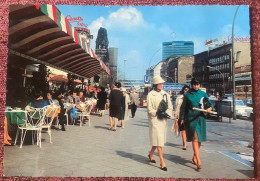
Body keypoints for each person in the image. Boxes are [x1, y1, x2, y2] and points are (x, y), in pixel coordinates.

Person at [179, 77, 213, 171]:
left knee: (199, 140)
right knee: (195, 139)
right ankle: (198, 160)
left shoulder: (203, 93)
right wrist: (181, 118)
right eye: (194, 84)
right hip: (191, 119)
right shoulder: (187, 94)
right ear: (191, 84)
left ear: (200, 84)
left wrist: (209, 109)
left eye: (197, 84)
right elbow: (183, 108)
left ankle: (194, 157)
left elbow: (209, 104)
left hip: (201, 118)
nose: (196, 86)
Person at [147, 75, 173, 171]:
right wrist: (156, 112)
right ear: (155, 84)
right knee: (158, 141)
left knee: (159, 140)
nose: (162, 85)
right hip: (154, 120)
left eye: (162, 83)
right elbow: (149, 108)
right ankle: (162, 162)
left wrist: (166, 114)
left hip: (163, 120)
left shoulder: (165, 94)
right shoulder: (150, 95)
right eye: (160, 83)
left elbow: (170, 107)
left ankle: (150, 154)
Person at [174, 85, 190, 150]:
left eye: (188, 90)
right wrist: (177, 116)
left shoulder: (191, 98)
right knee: (183, 130)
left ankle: (186, 141)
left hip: (189, 116)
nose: (186, 91)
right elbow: (176, 108)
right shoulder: (179, 98)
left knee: (188, 130)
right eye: (185, 90)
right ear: (183, 90)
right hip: (181, 115)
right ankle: (185, 144)